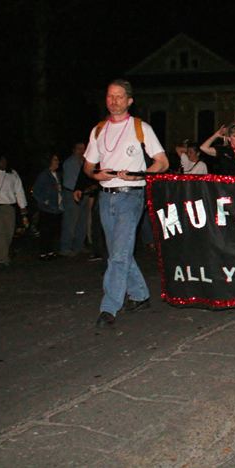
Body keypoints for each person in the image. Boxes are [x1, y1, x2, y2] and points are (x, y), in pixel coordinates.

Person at [83, 79, 169, 328]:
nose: (114, 101)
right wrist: (97, 175)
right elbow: (88, 165)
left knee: (119, 255)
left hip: (131, 196)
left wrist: (138, 175)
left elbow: (161, 162)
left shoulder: (141, 128)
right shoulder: (99, 130)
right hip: (105, 196)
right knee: (119, 253)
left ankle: (109, 307)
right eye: (110, 96)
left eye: (119, 96)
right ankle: (141, 295)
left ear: (129, 101)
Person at [59, 142, 90, 256]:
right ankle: (65, 248)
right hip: (72, 194)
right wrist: (81, 189)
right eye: (79, 149)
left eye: (83, 149)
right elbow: (72, 181)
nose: (81, 151)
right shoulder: (69, 163)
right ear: (73, 150)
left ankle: (78, 246)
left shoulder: (84, 162)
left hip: (84, 195)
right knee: (70, 223)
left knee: (82, 223)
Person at [32, 154, 64, 261]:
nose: (57, 162)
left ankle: (50, 251)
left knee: (53, 230)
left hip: (56, 207)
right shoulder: (44, 175)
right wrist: (45, 201)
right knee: (46, 231)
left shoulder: (56, 175)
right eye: (55, 160)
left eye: (57, 159)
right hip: (47, 208)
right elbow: (36, 191)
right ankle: (43, 253)